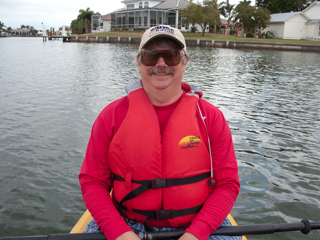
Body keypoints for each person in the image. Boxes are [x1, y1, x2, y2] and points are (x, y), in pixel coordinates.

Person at [79, 25, 240, 240]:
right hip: (127, 223)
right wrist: (121, 234)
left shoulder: (210, 118)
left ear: (185, 62)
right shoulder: (110, 117)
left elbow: (227, 185)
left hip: (199, 225)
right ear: (138, 62)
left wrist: (195, 234)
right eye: (151, 56)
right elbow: (93, 182)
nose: (161, 64)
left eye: (171, 56)